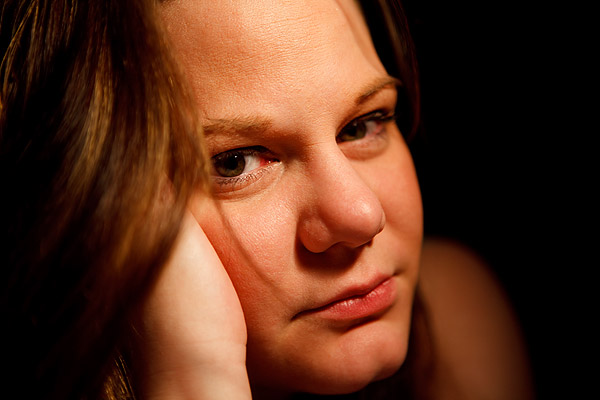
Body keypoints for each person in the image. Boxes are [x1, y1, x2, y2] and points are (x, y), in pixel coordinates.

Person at [1, 0, 534, 399]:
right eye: (235, 162)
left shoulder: (459, 325)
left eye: (363, 124)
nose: (361, 215)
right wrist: (197, 377)